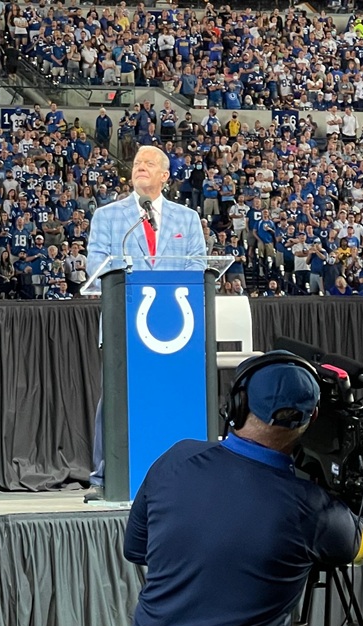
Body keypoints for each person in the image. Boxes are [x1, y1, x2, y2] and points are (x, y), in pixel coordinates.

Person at [124, 352, 363, 626]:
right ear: (314, 417)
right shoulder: (313, 511)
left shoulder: (175, 458)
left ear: (237, 403)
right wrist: (360, 470)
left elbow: (136, 549)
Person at [85, 145, 206, 499]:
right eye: (137, 163)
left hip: (176, 328)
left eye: (149, 164)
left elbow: (198, 266)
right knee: (115, 398)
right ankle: (103, 477)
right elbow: (96, 266)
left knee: (170, 396)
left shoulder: (187, 219)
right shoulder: (108, 217)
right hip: (125, 323)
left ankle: (181, 474)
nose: (140, 168)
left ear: (165, 176)